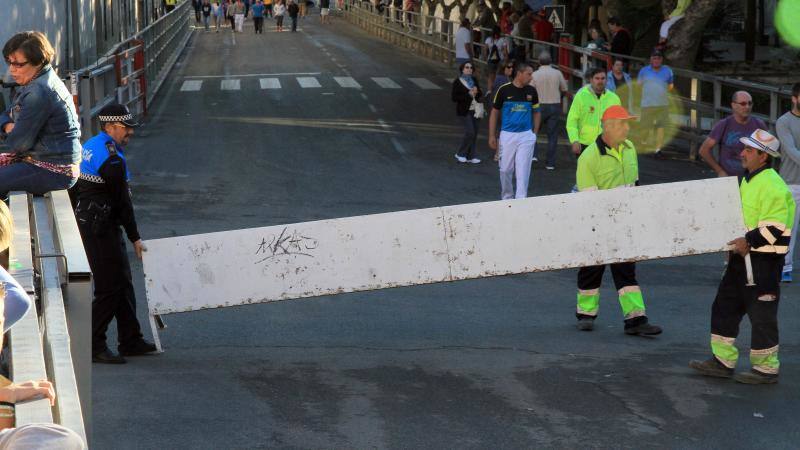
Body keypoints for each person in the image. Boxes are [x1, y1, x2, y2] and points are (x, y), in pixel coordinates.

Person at [689, 129, 793, 384]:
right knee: (725, 306)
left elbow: (775, 228)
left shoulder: (772, 186)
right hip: (743, 258)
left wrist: (747, 241)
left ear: (763, 156)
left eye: (748, 150)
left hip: (763, 262)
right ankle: (722, 361)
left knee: (762, 315)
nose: (742, 153)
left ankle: (766, 369)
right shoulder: (750, 179)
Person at [73, 104, 156, 364]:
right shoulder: (112, 160)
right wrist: (135, 237)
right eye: (126, 128)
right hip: (101, 227)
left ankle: (130, 339)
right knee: (110, 287)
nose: (130, 132)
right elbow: (122, 203)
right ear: (110, 127)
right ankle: (93, 344)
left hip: (92, 221)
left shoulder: (92, 144)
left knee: (123, 280)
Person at [574, 105, 663, 336]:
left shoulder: (630, 148)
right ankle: (585, 314)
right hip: (597, 222)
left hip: (625, 222)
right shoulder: (588, 158)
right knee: (592, 268)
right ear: (609, 127)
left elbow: (634, 185)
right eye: (623, 123)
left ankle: (635, 320)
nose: (627, 128)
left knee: (626, 270)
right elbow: (589, 200)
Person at [0, 31, 81, 199]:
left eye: (18, 65)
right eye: (9, 63)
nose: (12, 70)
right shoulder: (38, 80)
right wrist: (9, 125)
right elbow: (9, 114)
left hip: (54, 170)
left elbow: (17, 144)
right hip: (42, 161)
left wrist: (9, 127)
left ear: (38, 61)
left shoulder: (39, 91)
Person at [488, 61, 541, 200]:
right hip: (507, 135)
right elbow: (494, 112)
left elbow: (536, 112)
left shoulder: (532, 91)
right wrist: (492, 135)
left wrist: (534, 133)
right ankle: (507, 197)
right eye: (529, 74)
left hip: (526, 136)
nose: (531, 77)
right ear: (519, 74)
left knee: (523, 170)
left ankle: (521, 200)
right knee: (505, 169)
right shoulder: (504, 90)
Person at [698, 91, 767, 178]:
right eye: (743, 104)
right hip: (728, 178)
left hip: (752, 178)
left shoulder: (759, 124)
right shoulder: (724, 124)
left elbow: (766, 153)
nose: (747, 107)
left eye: (750, 103)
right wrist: (720, 171)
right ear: (733, 105)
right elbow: (703, 150)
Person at [566, 67, 621, 157]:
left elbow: (619, 122)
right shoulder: (581, 96)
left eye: (603, 78)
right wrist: (574, 140)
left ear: (606, 80)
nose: (600, 81)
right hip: (584, 143)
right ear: (591, 80)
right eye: (597, 78)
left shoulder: (614, 99)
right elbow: (572, 120)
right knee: (584, 171)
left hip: (607, 144)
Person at [777, 83, 800, 282]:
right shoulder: (783, 122)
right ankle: (785, 266)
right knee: (789, 228)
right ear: (794, 98)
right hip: (792, 183)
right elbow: (791, 152)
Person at [530, 51, 567, 170]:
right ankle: (550, 163)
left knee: (533, 131)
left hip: (539, 105)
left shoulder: (535, 75)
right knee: (552, 135)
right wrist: (559, 98)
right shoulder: (557, 73)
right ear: (551, 61)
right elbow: (564, 89)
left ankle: (533, 155)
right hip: (554, 105)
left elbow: (530, 91)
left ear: (539, 62)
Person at [637, 49, 674, 157]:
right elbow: (639, 85)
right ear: (651, 60)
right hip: (647, 104)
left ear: (661, 60)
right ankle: (643, 142)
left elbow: (671, 84)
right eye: (654, 58)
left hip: (663, 104)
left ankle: (658, 150)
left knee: (660, 127)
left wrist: (666, 92)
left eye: (658, 58)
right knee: (645, 126)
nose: (656, 60)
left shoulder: (668, 71)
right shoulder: (644, 71)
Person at [452, 61, 483, 164]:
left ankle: (471, 156)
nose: (469, 69)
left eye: (471, 67)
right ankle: (460, 153)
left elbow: (480, 94)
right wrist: (468, 95)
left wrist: (476, 92)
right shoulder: (457, 81)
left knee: (474, 133)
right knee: (470, 132)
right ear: (462, 69)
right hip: (464, 111)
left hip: (475, 110)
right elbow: (454, 98)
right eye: (467, 67)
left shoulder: (474, 80)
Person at [483, 26, 509, 95]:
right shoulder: (502, 40)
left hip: (490, 60)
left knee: (491, 76)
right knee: (499, 76)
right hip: (500, 61)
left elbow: (485, 50)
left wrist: (486, 59)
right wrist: (506, 61)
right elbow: (505, 52)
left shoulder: (488, 39)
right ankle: (498, 93)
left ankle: (489, 91)